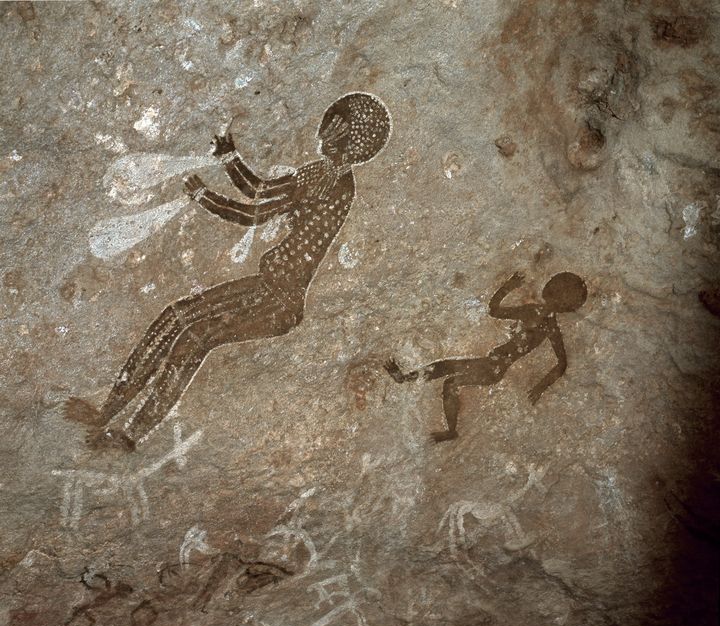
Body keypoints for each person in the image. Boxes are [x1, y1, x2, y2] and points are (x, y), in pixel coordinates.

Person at [65, 93, 391, 451]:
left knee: (194, 335)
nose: (322, 130)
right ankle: (109, 414)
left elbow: (255, 203)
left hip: (277, 299)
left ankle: (127, 434)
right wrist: (228, 159)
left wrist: (206, 193)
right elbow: (260, 198)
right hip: (270, 290)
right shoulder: (336, 180)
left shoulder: (327, 176)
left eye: (332, 123)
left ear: (344, 132)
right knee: (177, 317)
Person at [385, 271, 587, 442]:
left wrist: (509, 286)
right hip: (494, 364)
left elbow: (494, 310)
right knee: (447, 369)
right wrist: (540, 387)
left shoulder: (534, 312)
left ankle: (450, 430)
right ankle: (407, 380)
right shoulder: (551, 326)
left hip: (494, 367)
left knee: (450, 381)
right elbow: (562, 364)